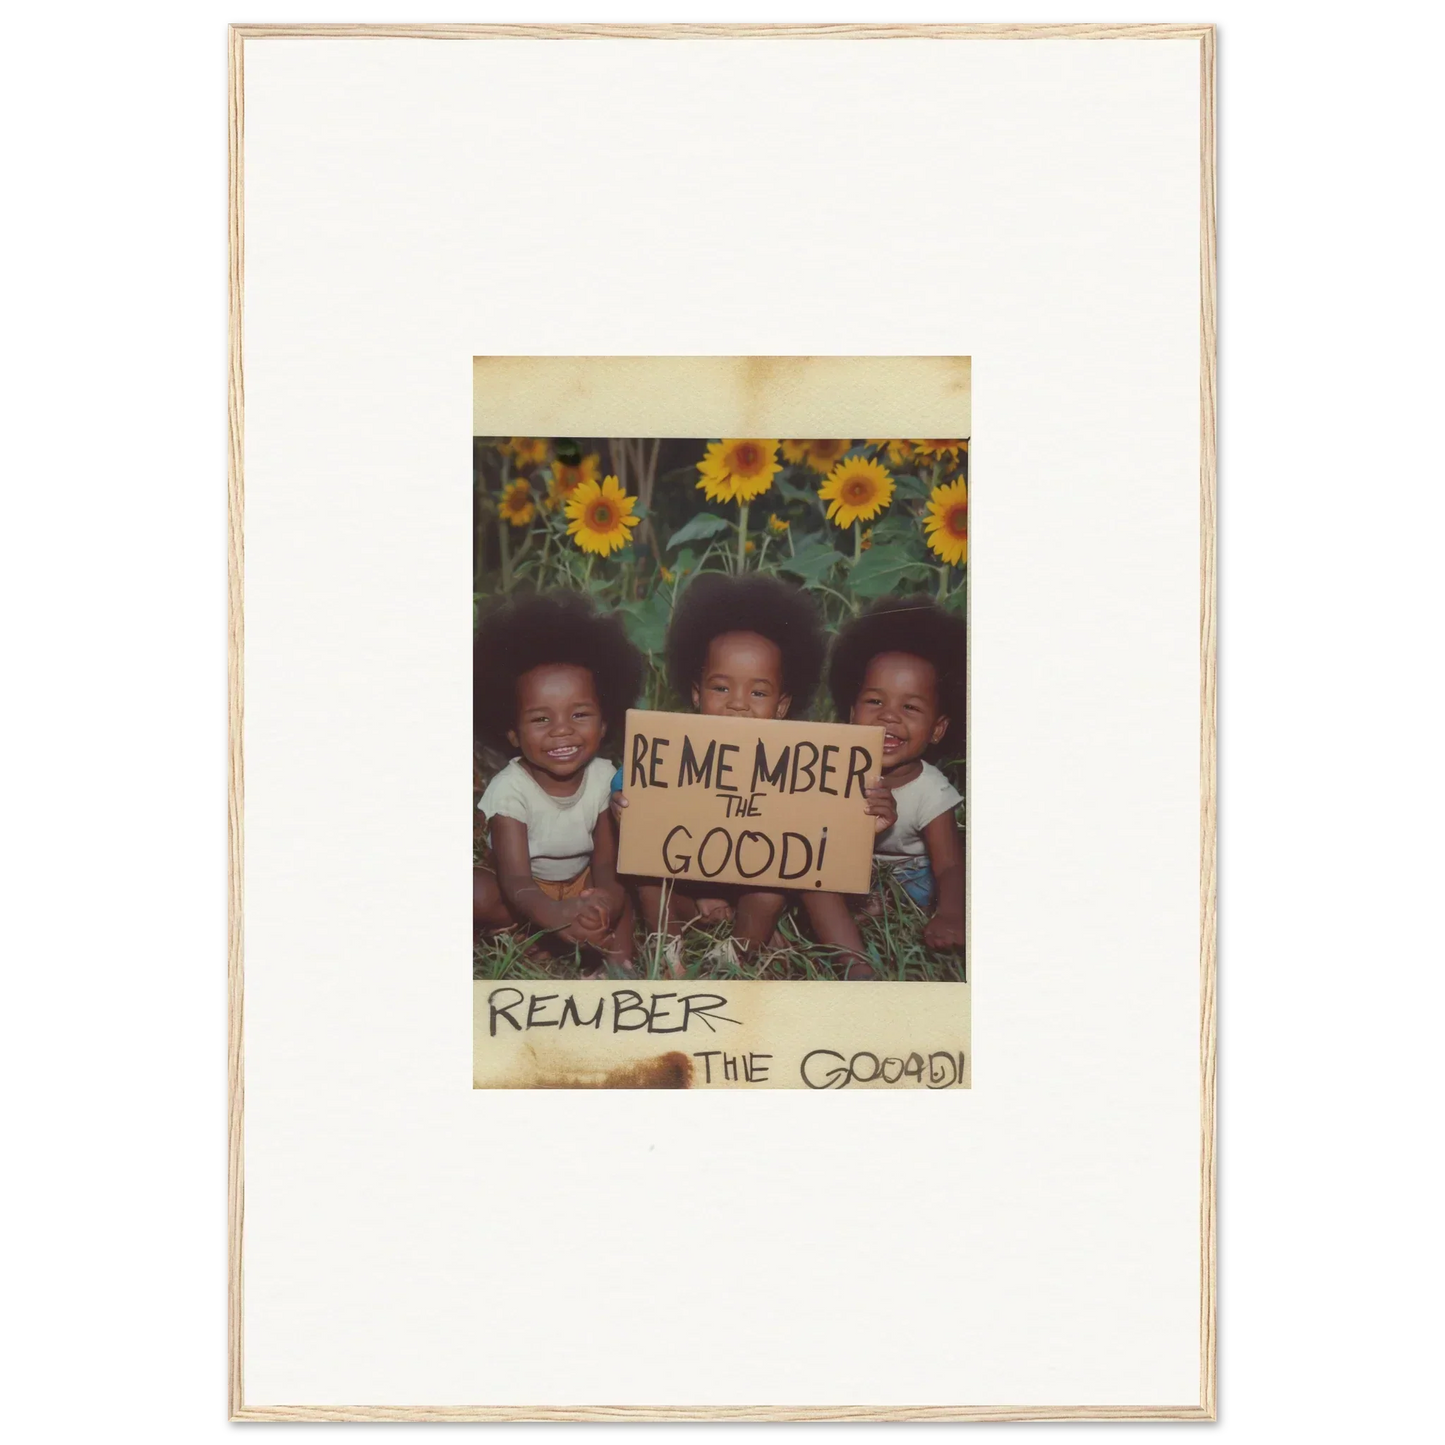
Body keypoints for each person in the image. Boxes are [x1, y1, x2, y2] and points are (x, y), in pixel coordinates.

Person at [613, 573, 891, 975]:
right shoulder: (673, 745)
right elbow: (633, 782)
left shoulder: (797, 759)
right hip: (685, 891)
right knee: (647, 875)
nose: (738, 704)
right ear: (696, 692)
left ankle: (738, 951)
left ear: (781, 706)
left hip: (752, 891)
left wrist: (865, 818)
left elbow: (823, 827)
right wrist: (623, 804)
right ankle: (666, 946)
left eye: (758, 693)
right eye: (721, 688)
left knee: (771, 888)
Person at [473, 590, 643, 977]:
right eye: (541, 720)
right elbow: (515, 878)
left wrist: (600, 905)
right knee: (475, 892)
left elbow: (604, 864)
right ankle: (525, 935)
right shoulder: (509, 790)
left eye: (580, 714)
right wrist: (555, 916)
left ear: (604, 724)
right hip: (526, 891)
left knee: (623, 890)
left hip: (583, 883)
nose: (562, 731)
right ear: (513, 734)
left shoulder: (603, 777)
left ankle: (618, 965)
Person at [803, 597, 966, 974]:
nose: (889, 716)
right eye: (874, 700)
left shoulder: (931, 790)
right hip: (854, 874)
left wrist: (952, 914)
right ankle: (856, 967)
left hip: (914, 884)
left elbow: (950, 867)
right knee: (811, 880)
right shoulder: (830, 770)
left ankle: (875, 917)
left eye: (910, 708)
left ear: (938, 728)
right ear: (851, 712)